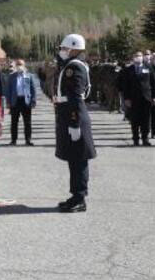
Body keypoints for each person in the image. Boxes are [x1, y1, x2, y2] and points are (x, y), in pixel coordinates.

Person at [54, 34, 95, 213]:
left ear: (73, 48)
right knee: (73, 158)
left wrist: (74, 123)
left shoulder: (74, 67)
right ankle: (75, 196)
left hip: (74, 116)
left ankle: (80, 198)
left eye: (64, 48)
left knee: (79, 160)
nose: (62, 51)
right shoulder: (69, 65)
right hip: (69, 114)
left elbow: (76, 97)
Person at [122, 51, 155, 146]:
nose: (138, 57)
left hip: (146, 98)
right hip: (133, 98)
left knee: (146, 119)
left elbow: (153, 82)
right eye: (136, 56)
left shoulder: (148, 67)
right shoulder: (128, 70)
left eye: (140, 56)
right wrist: (126, 99)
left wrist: (153, 97)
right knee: (135, 119)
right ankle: (135, 139)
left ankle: (145, 139)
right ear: (133, 58)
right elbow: (125, 86)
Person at [6, 59, 36, 146]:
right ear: (15, 65)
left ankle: (28, 140)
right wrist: (8, 102)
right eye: (18, 64)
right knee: (14, 122)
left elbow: (33, 89)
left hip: (26, 101)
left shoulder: (29, 76)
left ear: (24, 65)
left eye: (21, 64)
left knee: (27, 122)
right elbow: (8, 90)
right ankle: (13, 140)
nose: (19, 66)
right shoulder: (11, 76)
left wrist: (33, 101)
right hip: (15, 101)